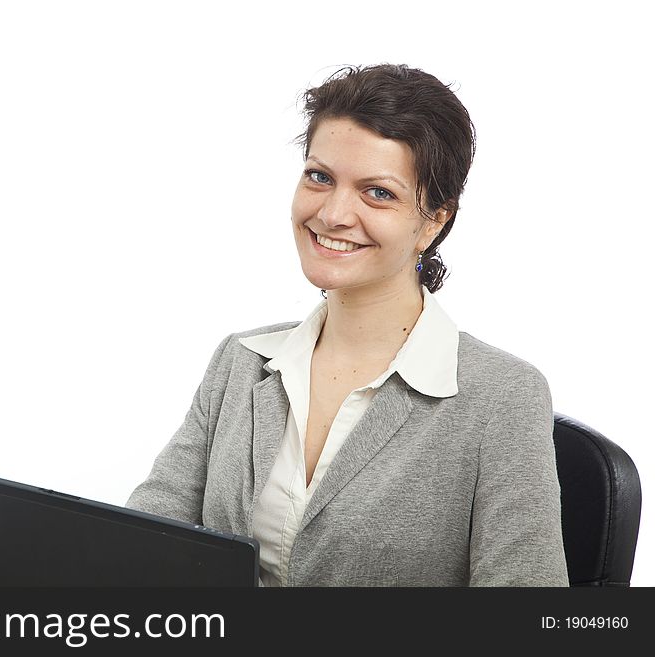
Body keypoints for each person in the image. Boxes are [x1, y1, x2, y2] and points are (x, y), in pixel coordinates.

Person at [126, 63, 569, 587]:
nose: (333, 214)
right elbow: (136, 549)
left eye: (377, 192)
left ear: (434, 220)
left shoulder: (502, 399)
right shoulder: (241, 363)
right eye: (320, 177)